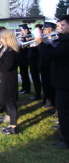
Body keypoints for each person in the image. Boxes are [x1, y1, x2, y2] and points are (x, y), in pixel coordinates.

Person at [35, 15, 69, 148]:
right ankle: (65, 134)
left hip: (64, 81)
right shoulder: (63, 40)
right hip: (62, 80)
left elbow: (50, 55)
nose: (60, 28)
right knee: (63, 110)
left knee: (64, 110)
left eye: (63, 25)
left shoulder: (67, 42)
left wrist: (40, 43)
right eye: (59, 25)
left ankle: (66, 140)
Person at [0, 29, 19, 135]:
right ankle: (11, 125)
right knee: (8, 103)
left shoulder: (12, 51)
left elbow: (6, 67)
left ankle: (13, 128)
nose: (1, 40)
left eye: (2, 38)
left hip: (9, 80)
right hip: (6, 78)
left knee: (10, 103)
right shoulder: (7, 50)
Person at [18, 24, 31, 95]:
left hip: (25, 58)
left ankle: (27, 88)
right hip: (21, 58)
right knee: (22, 73)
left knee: (25, 74)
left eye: (21, 30)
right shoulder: (22, 36)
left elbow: (26, 47)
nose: (20, 32)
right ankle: (23, 87)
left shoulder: (28, 36)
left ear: (26, 30)